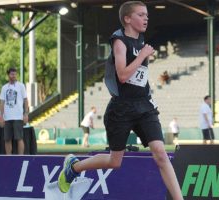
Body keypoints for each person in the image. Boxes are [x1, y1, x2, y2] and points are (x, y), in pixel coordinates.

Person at [58, 2, 183, 199]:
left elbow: (138, 77)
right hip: (121, 108)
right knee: (115, 162)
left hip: (144, 105)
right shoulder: (119, 41)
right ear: (127, 19)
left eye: (147, 15)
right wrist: (142, 55)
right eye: (141, 15)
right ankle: (74, 167)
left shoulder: (141, 40)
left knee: (160, 153)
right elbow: (123, 75)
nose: (146, 18)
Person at [0, 67, 28, 154]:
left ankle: (20, 158)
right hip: (7, 117)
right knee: (7, 139)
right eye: (12, 74)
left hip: (18, 117)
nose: (14, 76)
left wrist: (26, 114)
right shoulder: (4, 88)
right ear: (8, 75)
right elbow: (2, 103)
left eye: (15, 74)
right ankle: (9, 158)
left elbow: (25, 100)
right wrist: (1, 117)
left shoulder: (21, 86)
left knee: (19, 138)